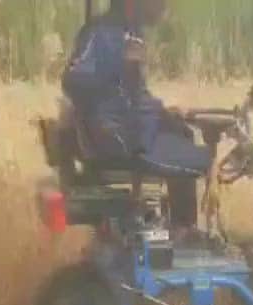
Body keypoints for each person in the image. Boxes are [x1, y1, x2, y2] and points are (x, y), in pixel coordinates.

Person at [62, 0, 210, 241]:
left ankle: (182, 227)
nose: (164, 8)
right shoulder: (101, 32)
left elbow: (134, 93)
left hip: (129, 128)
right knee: (200, 157)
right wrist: (120, 72)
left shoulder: (131, 32)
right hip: (117, 135)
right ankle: (184, 230)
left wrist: (162, 112)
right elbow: (73, 80)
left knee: (182, 132)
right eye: (159, 3)